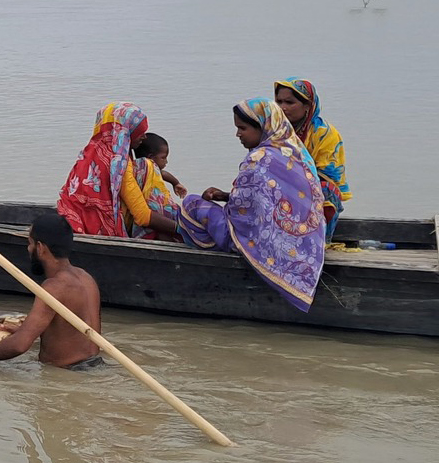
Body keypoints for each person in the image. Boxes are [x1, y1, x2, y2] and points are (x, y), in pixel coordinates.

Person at [175, 98, 327, 312]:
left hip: (259, 240)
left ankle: (223, 250)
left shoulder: (259, 158)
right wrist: (225, 195)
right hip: (305, 244)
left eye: (242, 128)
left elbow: (240, 213)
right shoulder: (297, 152)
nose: (238, 134)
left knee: (190, 204)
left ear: (263, 127)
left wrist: (229, 202)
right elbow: (264, 199)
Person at [0, 212, 104, 370]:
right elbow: (75, 334)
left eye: (30, 243)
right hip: (95, 367)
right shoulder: (86, 279)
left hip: (69, 375)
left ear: (40, 248)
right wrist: (24, 329)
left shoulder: (54, 287)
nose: (28, 248)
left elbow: (20, 345)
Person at [55, 101, 181, 239]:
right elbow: (143, 216)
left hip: (69, 217)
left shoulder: (90, 151)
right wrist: (181, 229)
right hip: (91, 229)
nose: (144, 137)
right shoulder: (119, 165)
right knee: (147, 166)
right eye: (140, 132)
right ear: (126, 131)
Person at [273, 77, 350, 238]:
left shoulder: (325, 134)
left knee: (326, 190)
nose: (282, 108)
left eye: (289, 102)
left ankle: (317, 240)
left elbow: (329, 177)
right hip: (281, 191)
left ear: (307, 106)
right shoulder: (275, 132)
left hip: (313, 193)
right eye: (279, 102)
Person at [135, 132, 187, 197]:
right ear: (151, 157)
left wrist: (175, 183)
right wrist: (176, 183)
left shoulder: (137, 168)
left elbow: (162, 173)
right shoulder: (145, 166)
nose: (166, 161)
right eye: (163, 158)